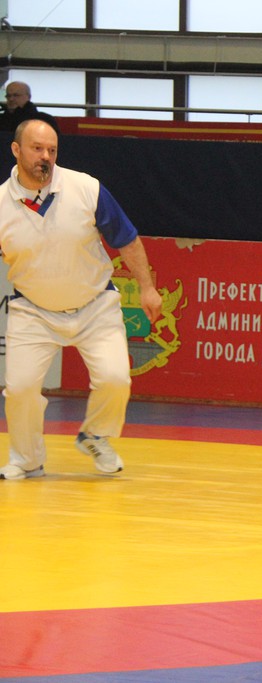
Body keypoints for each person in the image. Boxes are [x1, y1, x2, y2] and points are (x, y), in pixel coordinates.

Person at [0, 119, 162, 480]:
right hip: (33, 310)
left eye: (52, 150)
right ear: (16, 150)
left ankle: (95, 435)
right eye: (37, 148)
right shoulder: (0, 204)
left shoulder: (86, 188)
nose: (45, 156)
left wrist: (147, 287)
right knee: (20, 389)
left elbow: (127, 239)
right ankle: (27, 460)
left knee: (116, 379)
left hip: (94, 304)